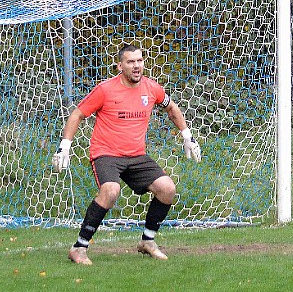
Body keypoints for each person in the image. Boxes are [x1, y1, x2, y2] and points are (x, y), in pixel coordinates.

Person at [52, 44, 202, 264]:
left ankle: (147, 241)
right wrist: (65, 145)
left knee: (167, 189)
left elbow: (172, 108)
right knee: (110, 191)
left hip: (136, 155)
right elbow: (77, 114)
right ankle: (79, 248)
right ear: (120, 66)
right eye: (131, 62)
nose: (136, 66)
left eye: (139, 61)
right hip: (107, 154)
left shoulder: (152, 88)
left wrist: (187, 136)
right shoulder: (105, 90)